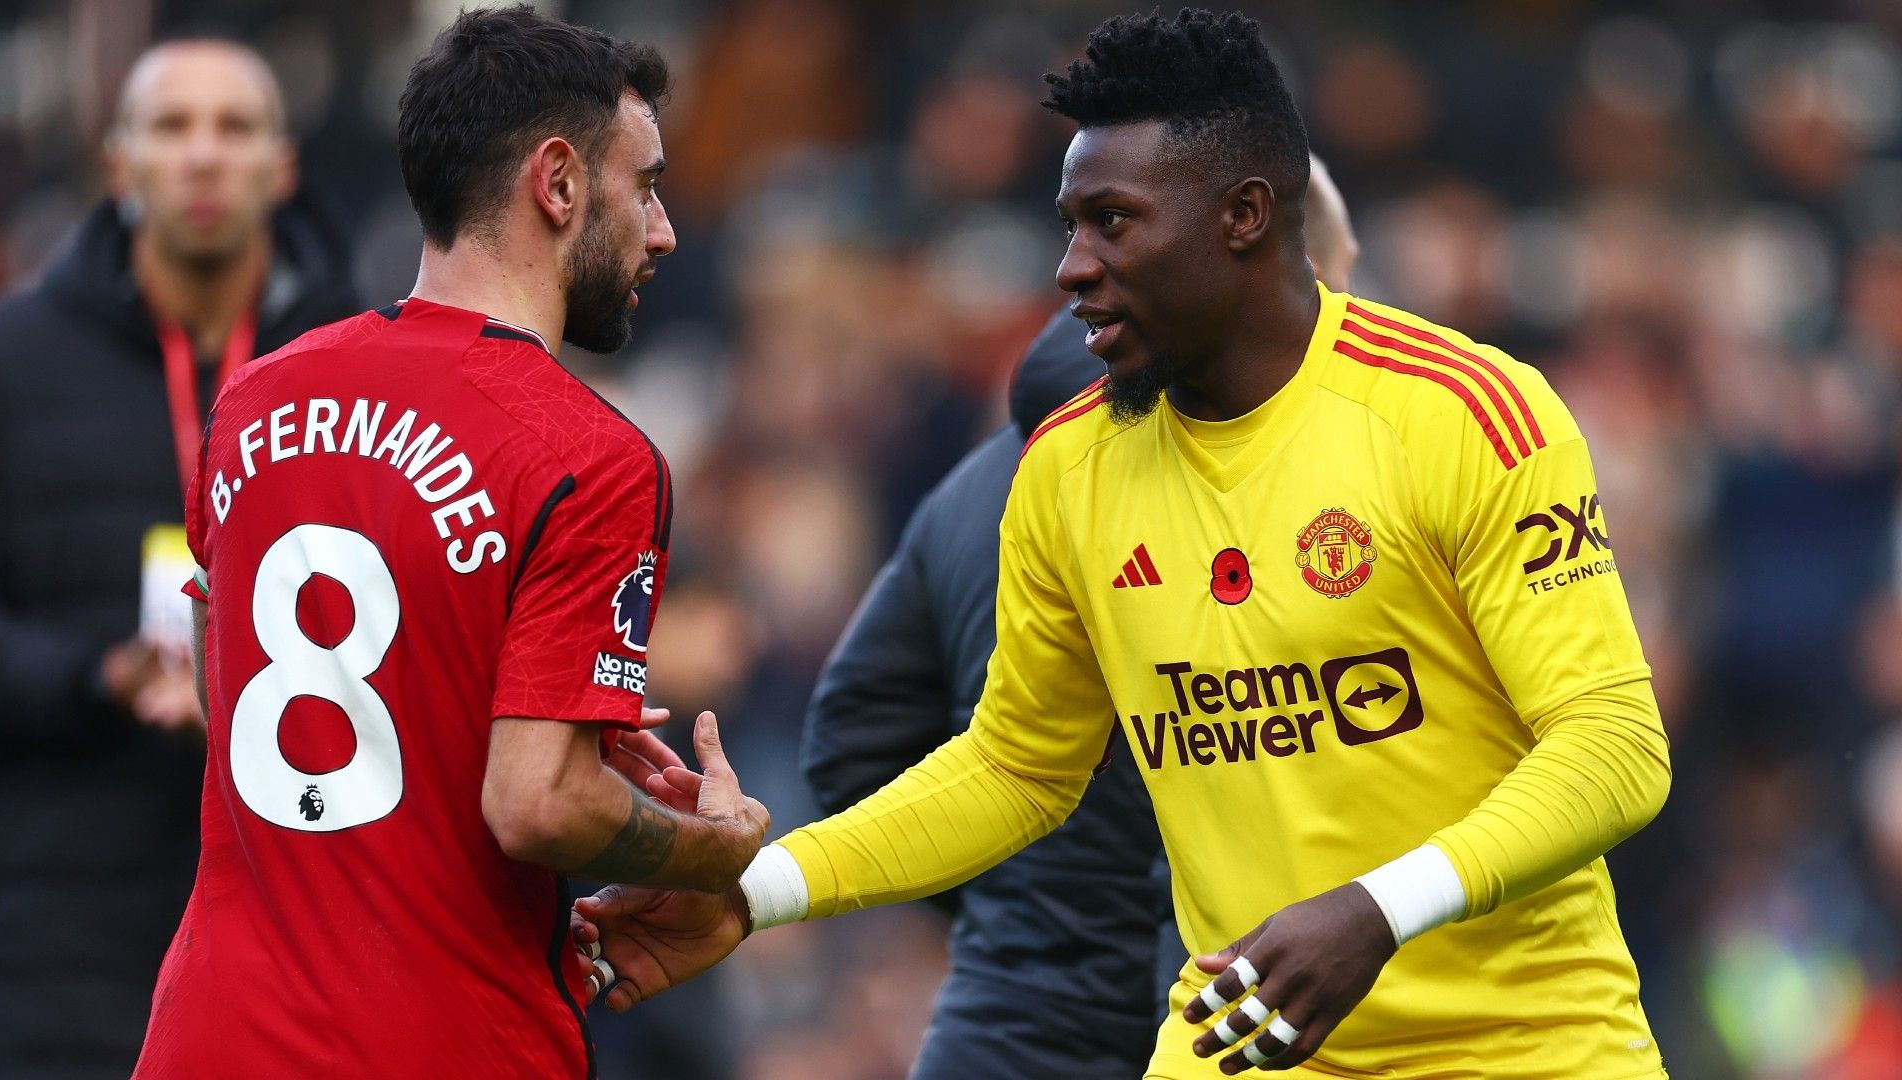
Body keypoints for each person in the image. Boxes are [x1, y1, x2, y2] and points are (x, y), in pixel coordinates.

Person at [578, 9, 1670, 1078]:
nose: (1070, 266)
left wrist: (1377, 912)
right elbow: (1016, 768)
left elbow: (1615, 744)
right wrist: (755, 890)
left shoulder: (1462, 414)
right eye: (1069, 223)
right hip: (1247, 1046)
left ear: (1243, 215)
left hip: (1529, 1045)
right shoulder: (1069, 465)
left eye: (1113, 221)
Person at [133, 8, 766, 1076]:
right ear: (558, 184)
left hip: (209, 1031)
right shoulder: (588, 453)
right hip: (437, 1036)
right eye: (645, 185)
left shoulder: (252, 399)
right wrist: (714, 850)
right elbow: (537, 804)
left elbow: (221, 678)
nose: (661, 231)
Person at [798, 158, 1358, 1079]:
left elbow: (851, 743)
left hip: (1006, 1022)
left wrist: (1017, 903)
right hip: (1236, 1016)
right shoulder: (1301, 484)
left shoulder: (970, 490)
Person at [0, 39, 358, 1075]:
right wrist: (95, 676)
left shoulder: (363, 366)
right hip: (56, 935)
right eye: (171, 126)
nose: (203, 155)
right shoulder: (5, 361)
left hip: (304, 911)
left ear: (282, 167)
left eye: (234, 129)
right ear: (119, 165)